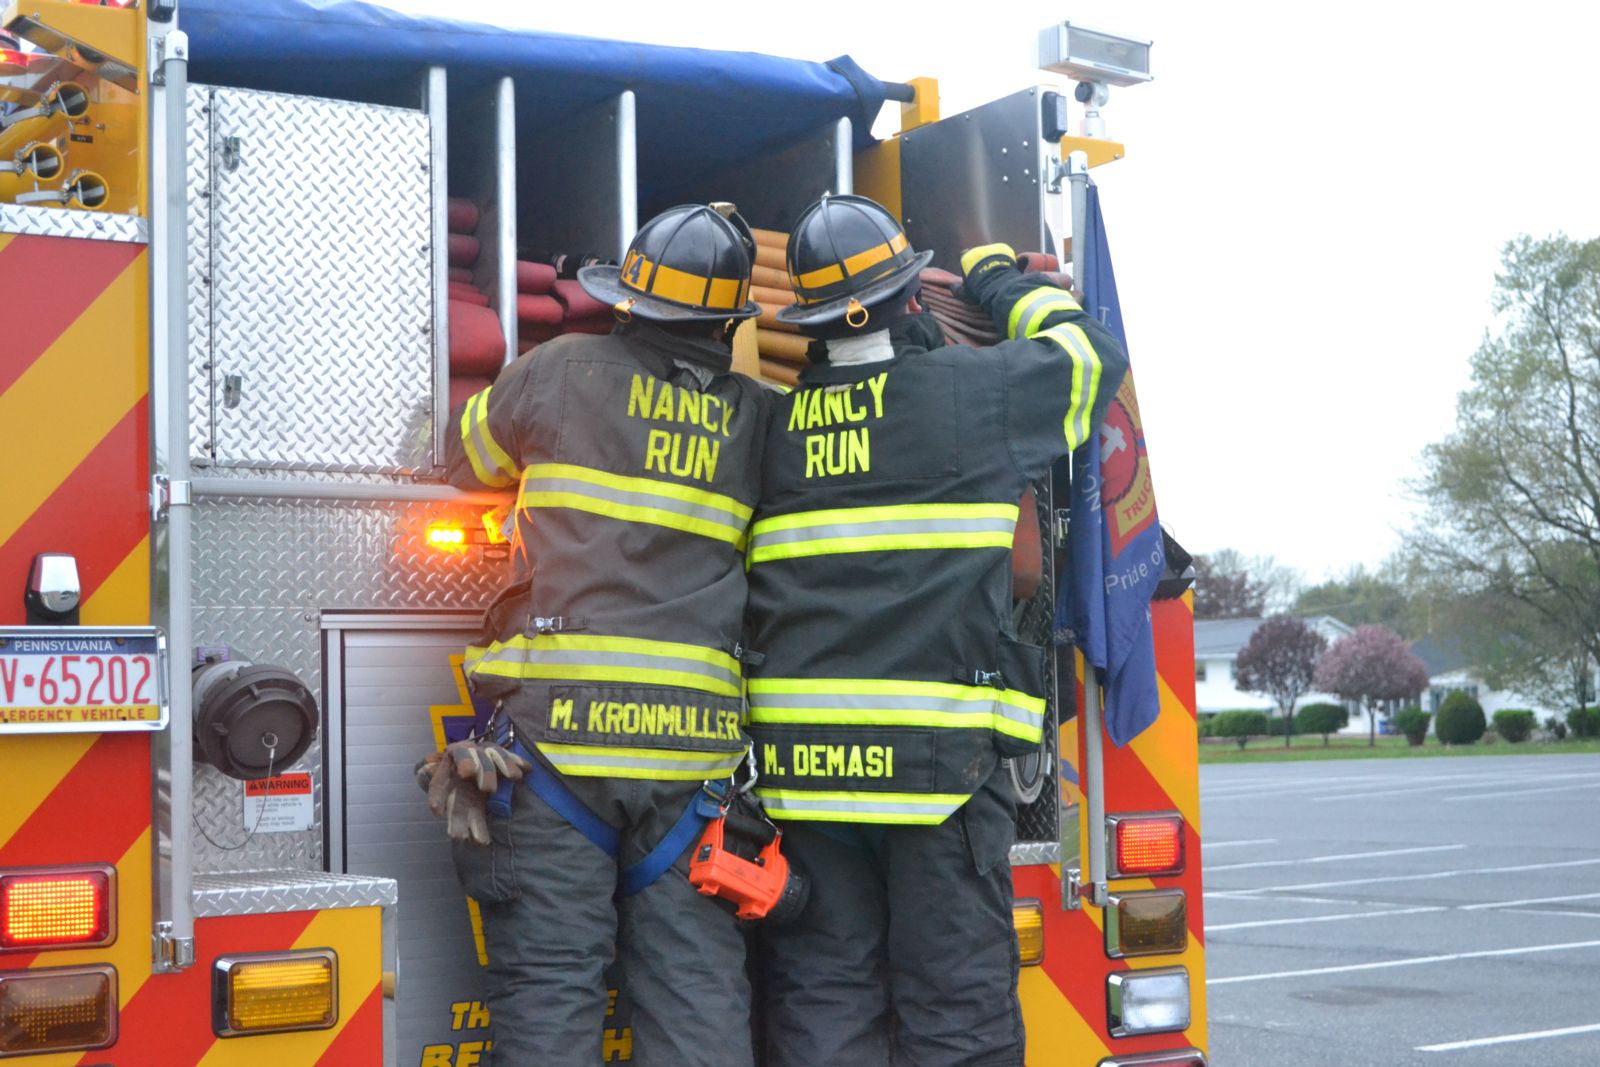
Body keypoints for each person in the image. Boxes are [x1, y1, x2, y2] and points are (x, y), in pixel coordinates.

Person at [744, 194, 1128, 1066]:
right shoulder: (972, 396)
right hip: (941, 780)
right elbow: (1089, 357)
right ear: (913, 295)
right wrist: (997, 279)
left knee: (823, 1004)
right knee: (955, 1013)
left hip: (808, 785)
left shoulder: (771, 429)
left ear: (808, 320)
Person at [424, 203, 771, 1067]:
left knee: (549, 993)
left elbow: (462, 460)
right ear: (730, 323)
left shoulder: (557, 370)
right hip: (694, 769)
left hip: (554, 754)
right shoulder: (760, 419)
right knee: (698, 1001)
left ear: (626, 299)